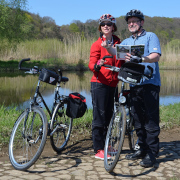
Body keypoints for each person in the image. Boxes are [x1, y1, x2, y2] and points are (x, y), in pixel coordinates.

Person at [102, 9, 161, 167]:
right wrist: (108, 47)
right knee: (137, 119)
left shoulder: (150, 36)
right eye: (129, 22)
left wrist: (141, 58)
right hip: (134, 84)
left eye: (135, 21)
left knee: (150, 120)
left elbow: (156, 56)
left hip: (150, 83)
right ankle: (141, 148)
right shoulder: (127, 42)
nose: (131, 24)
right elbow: (116, 52)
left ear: (141, 22)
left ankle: (152, 153)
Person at [88, 14, 124, 160]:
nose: (106, 26)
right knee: (99, 117)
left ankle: (106, 144)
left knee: (109, 116)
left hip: (113, 84)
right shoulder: (96, 44)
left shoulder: (119, 43)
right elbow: (91, 64)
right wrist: (97, 65)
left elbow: (122, 59)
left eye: (109, 24)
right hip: (99, 83)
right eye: (103, 24)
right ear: (100, 27)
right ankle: (98, 149)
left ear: (113, 27)